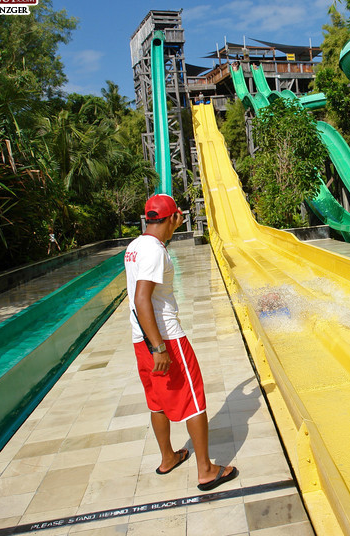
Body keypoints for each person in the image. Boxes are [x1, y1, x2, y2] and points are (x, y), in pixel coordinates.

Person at [124, 193, 238, 490]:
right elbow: (141, 298)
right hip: (165, 339)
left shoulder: (135, 246)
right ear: (173, 218)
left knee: (157, 401)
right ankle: (206, 469)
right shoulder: (154, 252)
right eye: (179, 217)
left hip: (140, 340)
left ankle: (168, 458)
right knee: (194, 398)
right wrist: (159, 346)